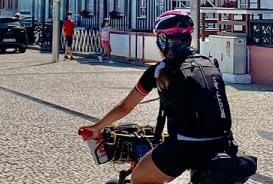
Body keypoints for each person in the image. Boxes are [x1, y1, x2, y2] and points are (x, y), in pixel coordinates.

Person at [79, 10, 237, 184]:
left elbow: (124, 107)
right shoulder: (209, 63)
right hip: (221, 144)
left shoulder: (159, 70)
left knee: (139, 178)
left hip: (184, 147)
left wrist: (97, 127)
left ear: (162, 40)